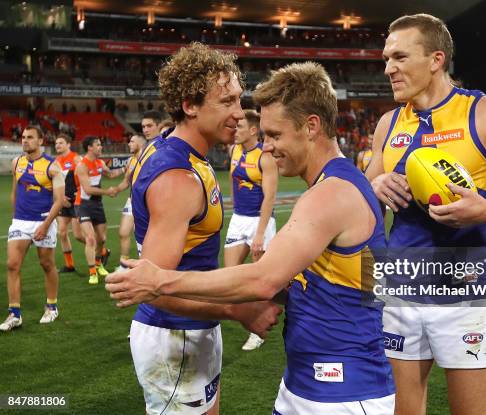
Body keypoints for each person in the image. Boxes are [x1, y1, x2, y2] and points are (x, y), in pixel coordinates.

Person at [106, 61, 396, 415]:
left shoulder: (330, 194)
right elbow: (332, 282)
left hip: (343, 392)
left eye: (274, 135)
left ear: (311, 127)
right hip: (311, 384)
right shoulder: (335, 185)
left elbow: (262, 280)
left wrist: (159, 279)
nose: (267, 148)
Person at [366, 14, 486, 415]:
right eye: (386, 58)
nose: (388, 68)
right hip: (401, 289)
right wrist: (374, 187)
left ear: (436, 59)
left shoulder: (485, 112)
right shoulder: (388, 124)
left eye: (400, 57)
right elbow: (361, 203)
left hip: (465, 292)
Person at [111, 43, 281, 415]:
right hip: (175, 335)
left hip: (191, 330)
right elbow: (152, 288)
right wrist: (240, 311)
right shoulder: (178, 179)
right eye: (227, 102)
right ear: (190, 105)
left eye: (239, 100)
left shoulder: (174, 151)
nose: (239, 113)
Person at [1, 126, 65, 332]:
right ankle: (14, 314)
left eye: (30, 138)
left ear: (40, 140)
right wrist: (15, 220)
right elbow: (14, 193)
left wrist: (45, 226)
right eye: (23, 137)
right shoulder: (16, 162)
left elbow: (59, 200)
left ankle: (52, 306)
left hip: (43, 220)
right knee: (12, 264)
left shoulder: (52, 167)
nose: (25, 141)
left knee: (46, 264)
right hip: (20, 221)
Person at [225, 109, 278, 351]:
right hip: (238, 218)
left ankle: (259, 330)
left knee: (261, 280)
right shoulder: (234, 150)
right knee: (230, 276)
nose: (235, 131)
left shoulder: (264, 157)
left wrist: (260, 233)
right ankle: (250, 317)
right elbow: (232, 179)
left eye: (240, 127)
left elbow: (270, 198)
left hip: (260, 221)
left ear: (254, 130)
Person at [74, 136, 121, 284]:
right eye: (98, 145)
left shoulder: (100, 163)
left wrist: (127, 168)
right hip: (83, 204)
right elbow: (87, 189)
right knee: (90, 238)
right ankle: (92, 272)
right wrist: (108, 192)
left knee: (102, 239)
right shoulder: (82, 166)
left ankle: (99, 263)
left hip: (97, 205)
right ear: (90, 147)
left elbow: (111, 174)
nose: (101, 147)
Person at [115, 134, 147, 272]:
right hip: (132, 200)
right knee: (123, 232)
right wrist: (114, 190)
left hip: (147, 203)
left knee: (146, 238)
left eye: (132, 141)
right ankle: (124, 265)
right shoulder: (130, 161)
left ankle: (147, 265)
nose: (129, 143)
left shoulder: (149, 158)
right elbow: (126, 182)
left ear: (141, 143)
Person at [54, 133, 85, 273]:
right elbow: (54, 183)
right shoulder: (56, 161)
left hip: (76, 200)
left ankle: (101, 250)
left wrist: (77, 196)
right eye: (56, 143)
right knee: (61, 232)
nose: (57, 145)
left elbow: (85, 180)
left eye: (60, 143)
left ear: (68, 145)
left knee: (78, 235)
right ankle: (69, 265)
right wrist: (60, 198)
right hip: (63, 200)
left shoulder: (76, 158)